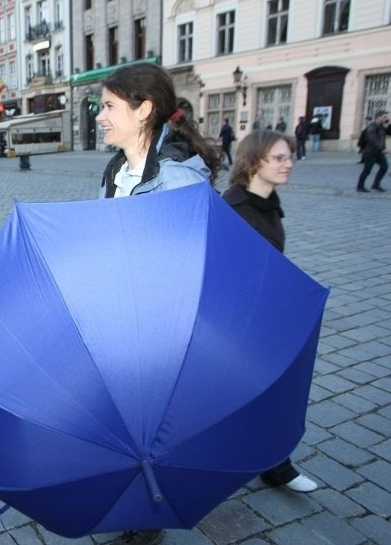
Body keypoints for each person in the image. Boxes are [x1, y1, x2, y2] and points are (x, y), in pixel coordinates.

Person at [95, 62, 224, 545]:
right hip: (119, 324)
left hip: (157, 333)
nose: (100, 116)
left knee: (149, 427)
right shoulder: (114, 173)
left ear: (143, 109)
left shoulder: (179, 184)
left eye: (109, 106)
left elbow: (193, 274)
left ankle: (145, 523)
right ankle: (132, 512)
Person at [221, 129, 320, 494]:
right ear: (253, 161)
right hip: (239, 326)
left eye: (289, 157)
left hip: (264, 319)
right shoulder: (232, 210)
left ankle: (276, 465)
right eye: (279, 158)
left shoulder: (268, 203)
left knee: (272, 395)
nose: (288, 164)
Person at [356, 109, 389, 193]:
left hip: (378, 152)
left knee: (384, 167)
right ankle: (360, 187)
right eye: (384, 117)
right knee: (367, 170)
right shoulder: (372, 127)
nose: (386, 118)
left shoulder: (382, 127)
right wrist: (383, 149)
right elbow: (373, 140)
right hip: (370, 152)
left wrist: (389, 124)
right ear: (378, 117)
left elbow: (387, 134)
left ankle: (376, 184)